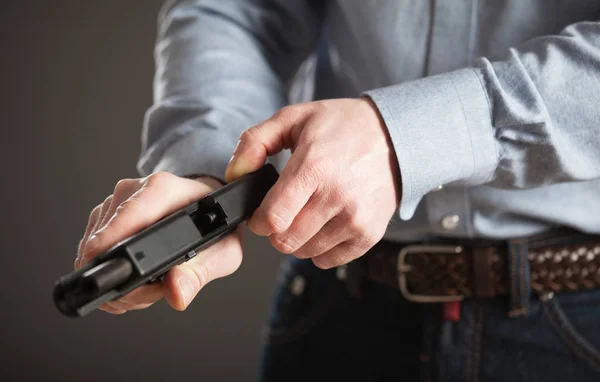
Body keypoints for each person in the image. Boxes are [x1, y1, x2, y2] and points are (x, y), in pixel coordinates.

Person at [74, 0, 600, 380]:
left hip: (578, 323)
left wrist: (402, 138)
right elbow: (240, 11)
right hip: (336, 309)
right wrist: (207, 170)